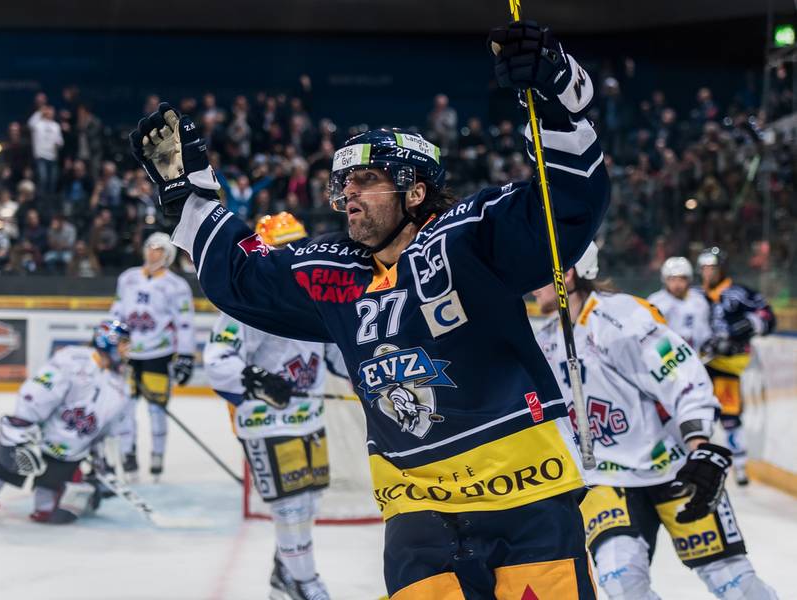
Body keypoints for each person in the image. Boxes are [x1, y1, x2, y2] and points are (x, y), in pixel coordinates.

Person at [131, 21, 609, 599]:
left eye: (368, 180)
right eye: (343, 183)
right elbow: (242, 278)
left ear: (415, 192)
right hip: (418, 514)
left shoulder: (469, 236)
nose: (348, 193)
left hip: (528, 499)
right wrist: (189, 191)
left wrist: (558, 91)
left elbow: (567, 204)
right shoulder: (334, 271)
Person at [533, 243, 777, 600]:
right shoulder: (548, 339)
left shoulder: (622, 318)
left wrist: (700, 447)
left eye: (538, 276)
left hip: (675, 466)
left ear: (566, 274)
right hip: (607, 479)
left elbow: (682, 375)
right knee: (621, 585)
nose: (530, 285)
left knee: (735, 583)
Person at [205, 213, 346, 600]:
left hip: (309, 418)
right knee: (290, 507)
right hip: (266, 422)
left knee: (310, 499)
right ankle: (304, 582)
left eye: (296, 246)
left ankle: (286, 573)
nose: (291, 256)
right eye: (281, 249)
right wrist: (258, 380)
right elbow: (218, 359)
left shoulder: (316, 298)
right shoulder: (244, 303)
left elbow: (336, 355)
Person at [0, 321, 131, 524]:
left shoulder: (121, 387)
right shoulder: (74, 359)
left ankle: (80, 485)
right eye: (123, 343)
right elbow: (37, 392)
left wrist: (102, 463)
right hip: (32, 442)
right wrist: (19, 430)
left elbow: (106, 431)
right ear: (108, 340)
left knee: (53, 513)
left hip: (66, 455)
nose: (127, 350)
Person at [111, 232, 196, 481]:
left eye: (158, 249)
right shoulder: (127, 279)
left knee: (157, 411)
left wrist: (186, 357)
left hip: (158, 355)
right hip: (128, 356)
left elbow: (185, 324)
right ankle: (128, 457)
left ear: (168, 255)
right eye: (149, 247)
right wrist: (113, 342)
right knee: (125, 410)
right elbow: (116, 314)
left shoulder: (176, 286)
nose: (152, 253)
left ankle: (157, 458)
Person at [698, 247, 776, 486]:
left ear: (722, 268)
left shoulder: (739, 293)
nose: (708, 273)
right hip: (696, 366)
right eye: (704, 268)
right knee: (697, 416)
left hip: (726, 366)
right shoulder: (693, 295)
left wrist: (742, 328)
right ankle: (696, 465)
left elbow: (767, 316)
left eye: (712, 268)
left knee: (730, 417)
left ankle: (740, 466)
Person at [647, 256, 712, 350]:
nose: (677, 284)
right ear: (665, 280)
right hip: (665, 357)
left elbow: (704, 333)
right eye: (672, 279)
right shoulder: (655, 301)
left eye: (681, 279)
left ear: (689, 280)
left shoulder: (699, 301)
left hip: (695, 358)